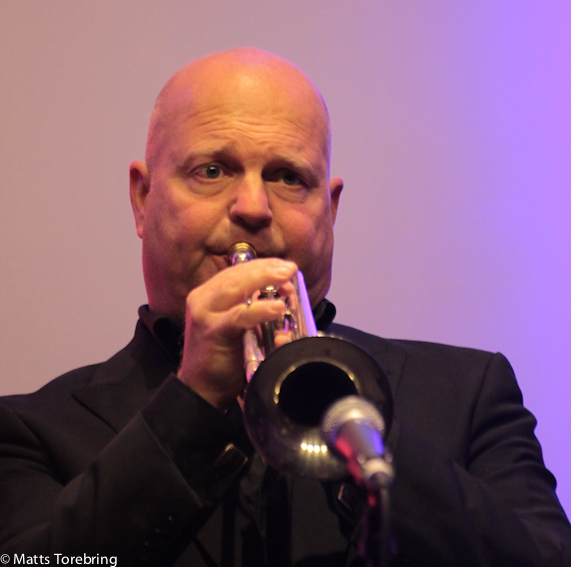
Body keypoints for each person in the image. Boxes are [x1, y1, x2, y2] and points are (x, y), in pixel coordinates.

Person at [0, 48, 569, 567]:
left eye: (288, 177)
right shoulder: (29, 431)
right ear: (142, 199)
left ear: (331, 210)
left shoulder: (470, 394)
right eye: (212, 171)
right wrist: (191, 406)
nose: (252, 207)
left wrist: (349, 419)